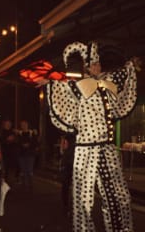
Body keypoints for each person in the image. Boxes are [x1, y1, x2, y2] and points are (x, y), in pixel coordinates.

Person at [41, 41, 140, 232]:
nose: (98, 67)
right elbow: (61, 87)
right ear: (86, 67)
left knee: (118, 195)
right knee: (84, 200)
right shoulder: (78, 87)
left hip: (107, 148)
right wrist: (50, 82)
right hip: (87, 150)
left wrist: (130, 65)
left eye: (99, 64)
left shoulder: (108, 82)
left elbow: (124, 74)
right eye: (94, 64)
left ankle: (121, 229)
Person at [17, 120, 37, 189]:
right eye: (22, 124)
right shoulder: (19, 133)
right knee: (23, 170)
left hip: (30, 154)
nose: (23, 126)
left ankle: (30, 185)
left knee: (29, 170)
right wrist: (22, 145)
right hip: (21, 154)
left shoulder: (32, 132)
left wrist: (29, 144)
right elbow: (17, 142)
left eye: (25, 124)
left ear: (28, 124)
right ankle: (24, 185)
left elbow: (35, 142)